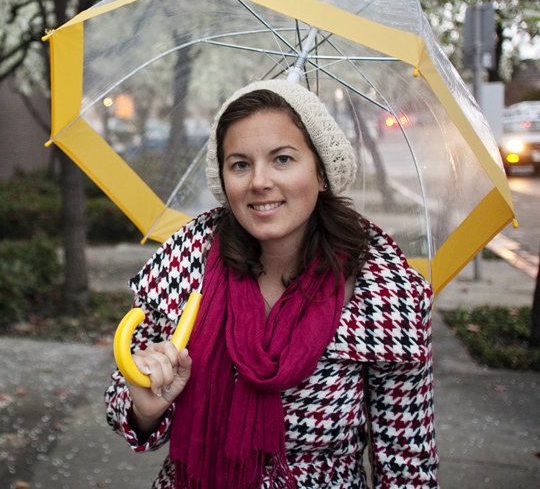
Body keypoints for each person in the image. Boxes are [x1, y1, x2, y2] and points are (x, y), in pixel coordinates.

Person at [104, 79, 439, 489]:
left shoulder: (381, 288)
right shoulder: (188, 264)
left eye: (282, 159)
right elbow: (123, 400)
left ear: (321, 172)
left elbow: (408, 464)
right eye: (240, 164)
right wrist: (145, 405)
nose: (259, 182)